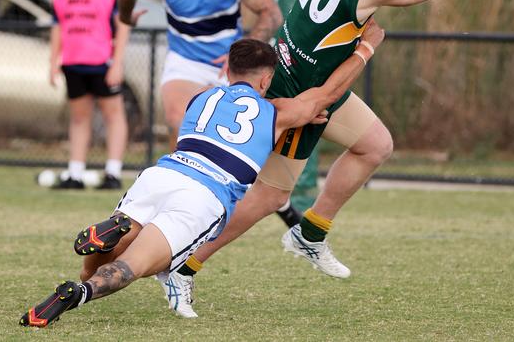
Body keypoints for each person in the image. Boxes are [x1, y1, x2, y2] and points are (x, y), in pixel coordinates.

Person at [159, 0, 475, 317]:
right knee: (267, 198)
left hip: (317, 80)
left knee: (376, 145)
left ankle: (310, 234)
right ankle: (183, 267)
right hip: (301, 93)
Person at [19, 30, 384, 327]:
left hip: (163, 174)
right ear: (267, 79)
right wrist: (365, 49)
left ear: (227, 71)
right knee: (143, 265)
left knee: (112, 247)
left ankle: (105, 244)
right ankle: (81, 294)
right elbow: (329, 96)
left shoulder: (201, 96)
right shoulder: (278, 111)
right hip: (204, 194)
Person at [117, 0, 301, 225]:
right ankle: (181, 205)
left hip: (228, 67)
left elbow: (271, 14)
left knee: (255, 133)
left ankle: (277, 198)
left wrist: (238, 53)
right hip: (185, 62)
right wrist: (125, 17)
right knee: (179, 118)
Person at [50, 0, 131, 189]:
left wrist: (117, 62)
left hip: (102, 61)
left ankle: (113, 171)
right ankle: (75, 172)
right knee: (78, 117)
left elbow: (123, 24)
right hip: (74, 61)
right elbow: (58, 26)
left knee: (113, 114)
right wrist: (53, 61)